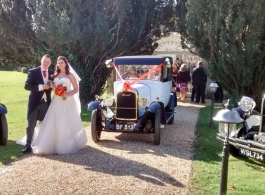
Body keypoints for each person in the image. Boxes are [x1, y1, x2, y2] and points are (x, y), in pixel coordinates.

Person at [18, 56, 87, 155]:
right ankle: (31, 144)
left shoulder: (69, 75)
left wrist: (66, 94)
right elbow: (30, 86)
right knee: (43, 123)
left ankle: (66, 143)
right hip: (53, 101)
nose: (60, 64)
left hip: (66, 101)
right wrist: (52, 87)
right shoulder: (53, 74)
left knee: (66, 121)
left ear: (65, 63)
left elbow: (76, 89)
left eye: (61, 63)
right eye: (58, 63)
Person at [21, 54, 54, 153]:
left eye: (48, 62)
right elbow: (27, 86)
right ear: (41, 61)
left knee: (45, 124)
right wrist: (41, 87)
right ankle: (28, 145)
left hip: (46, 103)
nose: (46, 63)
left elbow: (54, 85)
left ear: (50, 63)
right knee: (31, 124)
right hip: (34, 102)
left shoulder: (52, 73)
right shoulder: (33, 71)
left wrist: (52, 86)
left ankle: (42, 144)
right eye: (44, 61)